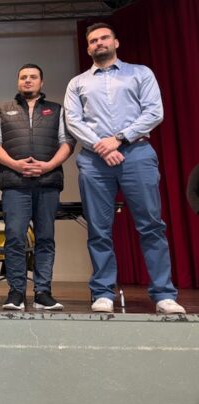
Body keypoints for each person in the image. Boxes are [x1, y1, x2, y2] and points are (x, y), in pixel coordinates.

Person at [64, 22, 185, 314]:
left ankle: (164, 294)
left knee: (151, 225)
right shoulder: (77, 83)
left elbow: (154, 112)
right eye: (93, 40)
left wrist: (118, 139)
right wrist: (101, 146)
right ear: (88, 48)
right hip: (94, 160)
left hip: (137, 154)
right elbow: (73, 121)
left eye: (104, 38)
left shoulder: (141, 73)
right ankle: (103, 292)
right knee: (98, 229)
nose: (99, 43)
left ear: (116, 42)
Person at [0, 64, 75, 311]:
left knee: (45, 238)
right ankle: (16, 292)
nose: (28, 80)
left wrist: (48, 166)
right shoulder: (2, 110)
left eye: (33, 77)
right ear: (18, 82)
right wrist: (15, 165)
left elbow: (67, 141)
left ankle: (42, 293)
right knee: (15, 237)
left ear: (41, 82)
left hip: (47, 183)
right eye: (23, 77)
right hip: (15, 184)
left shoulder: (56, 110)